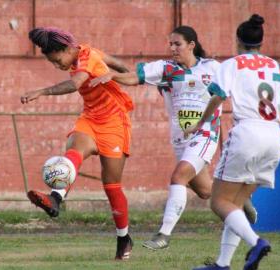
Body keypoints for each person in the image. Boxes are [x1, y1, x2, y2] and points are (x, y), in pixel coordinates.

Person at [90, 25, 256, 251]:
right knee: (206, 191)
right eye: (170, 44)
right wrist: (113, 76)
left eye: (177, 44)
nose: (172, 48)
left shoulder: (213, 68)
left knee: (178, 177)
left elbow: (235, 88)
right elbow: (135, 76)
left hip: (205, 134)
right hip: (180, 139)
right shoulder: (165, 68)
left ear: (191, 45)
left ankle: (163, 235)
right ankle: (237, 194)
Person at [185, 14, 280, 270]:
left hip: (247, 133)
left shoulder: (232, 64)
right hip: (274, 134)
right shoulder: (279, 68)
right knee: (236, 204)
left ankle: (256, 242)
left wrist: (201, 122)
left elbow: (218, 97)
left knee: (218, 202)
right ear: (261, 42)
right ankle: (222, 263)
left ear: (238, 40)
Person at [21, 27, 134, 260]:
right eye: (53, 63)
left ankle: (124, 238)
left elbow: (75, 84)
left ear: (68, 49)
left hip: (114, 122)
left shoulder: (87, 56)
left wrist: (42, 91)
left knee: (111, 185)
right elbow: (117, 63)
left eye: (58, 60)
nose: (57, 65)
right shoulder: (85, 52)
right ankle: (55, 199)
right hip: (90, 118)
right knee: (74, 151)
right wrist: (124, 71)